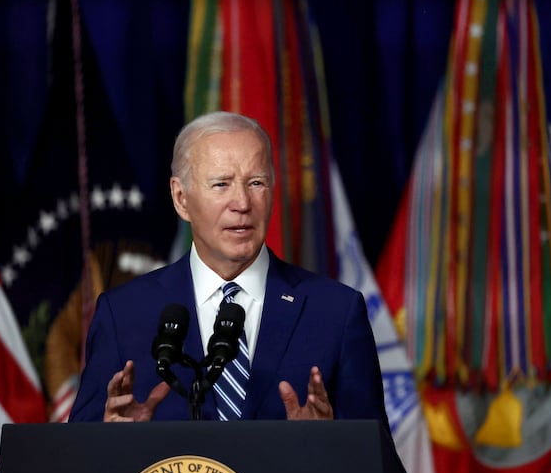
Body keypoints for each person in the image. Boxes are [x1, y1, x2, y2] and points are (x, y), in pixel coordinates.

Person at [69, 111, 389, 425]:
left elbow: (376, 455)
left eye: (256, 183)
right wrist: (115, 442)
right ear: (181, 198)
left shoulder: (336, 312)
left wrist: (330, 443)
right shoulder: (122, 314)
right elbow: (80, 452)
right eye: (221, 184)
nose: (242, 203)